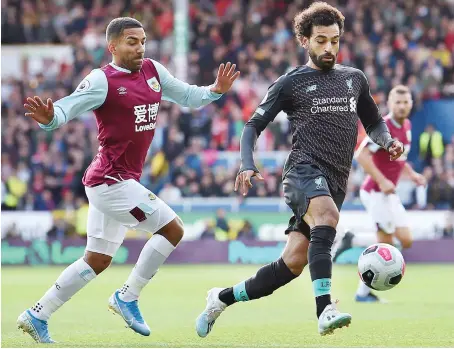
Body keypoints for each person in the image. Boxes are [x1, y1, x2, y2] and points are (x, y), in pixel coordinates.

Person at [17, 17, 239, 343]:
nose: (140, 47)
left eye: (143, 40)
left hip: (115, 180)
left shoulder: (153, 71)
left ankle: (37, 315)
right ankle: (127, 296)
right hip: (111, 180)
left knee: (97, 260)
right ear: (113, 46)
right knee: (173, 228)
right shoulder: (101, 80)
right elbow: (65, 110)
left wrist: (214, 91)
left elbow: (189, 96)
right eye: (131, 41)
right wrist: (50, 119)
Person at [195, 1, 404, 337]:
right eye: (321, 40)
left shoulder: (355, 79)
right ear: (304, 41)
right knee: (328, 218)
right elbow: (252, 126)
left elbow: (374, 121)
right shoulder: (291, 82)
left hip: (335, 180)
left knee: (291, 264)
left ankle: (219, 299)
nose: (329, 47)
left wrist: (388, 141)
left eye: (335, 40)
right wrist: (248, 164)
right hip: (301, 173)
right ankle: (325, 310)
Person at [333, 85, 426, 302]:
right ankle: (362, 294)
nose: (402, 106)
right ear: (390, 104)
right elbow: (361, 155)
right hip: (375, 191)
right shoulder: (382, 126)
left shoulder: (408, 126)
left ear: (411, 103)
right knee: (386, 243)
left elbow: (399, 159)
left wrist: (412, 175)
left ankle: (353, 239)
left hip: (389, 193)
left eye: (406, 102)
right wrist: (382, 180)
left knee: (406, 239)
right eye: (398, 102)